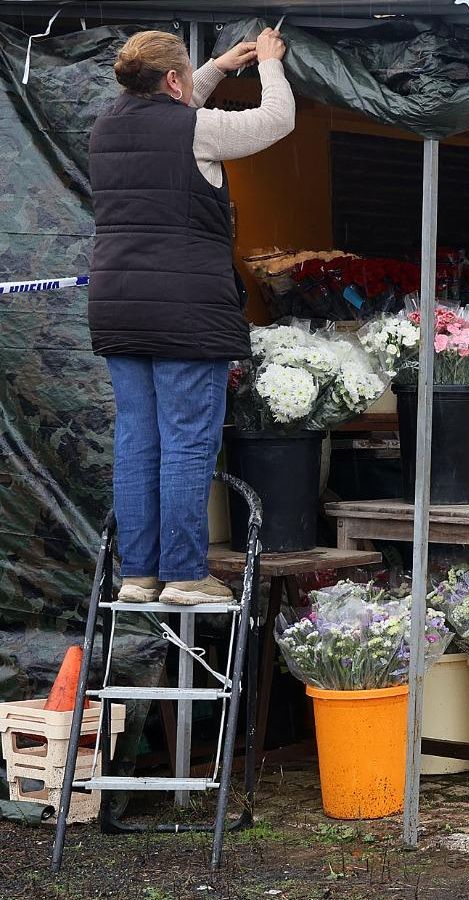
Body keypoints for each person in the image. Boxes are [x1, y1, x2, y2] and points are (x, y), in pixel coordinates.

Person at [89, 28, 294, 605]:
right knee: (186, 442)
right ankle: (184, 574)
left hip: (118, 307)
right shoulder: (195, 128)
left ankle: (138, 575)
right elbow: (277, 120)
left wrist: (218, 67)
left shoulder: (105, 128)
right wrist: (270, 63)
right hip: (186, 312)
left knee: (137, 441)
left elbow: (171, 114)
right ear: (173, 80)